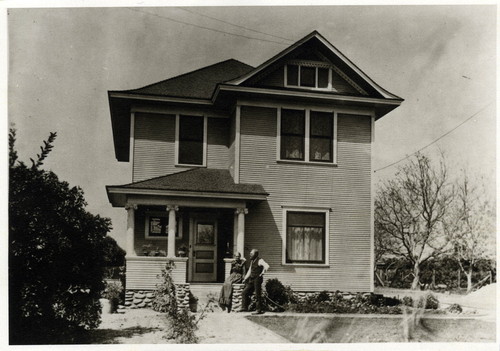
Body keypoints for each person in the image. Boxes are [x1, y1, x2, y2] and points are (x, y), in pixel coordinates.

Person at [241, 249, 269, 315]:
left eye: (251, 254)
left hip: (257, 279)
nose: (250, 255)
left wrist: (262, 273)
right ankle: (244, 307)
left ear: (255, 254)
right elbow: (250, 270)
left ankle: (258, 310)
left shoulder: (260, 260)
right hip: (252, 279)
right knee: (244, 292)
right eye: (250, 253)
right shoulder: (252, 261)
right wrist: (245, 279)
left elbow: (267, 266)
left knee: (257, 294)